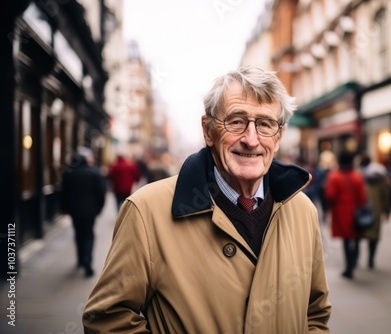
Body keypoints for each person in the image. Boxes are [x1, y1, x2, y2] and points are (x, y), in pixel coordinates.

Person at [83, 66, 331, 333]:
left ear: (279, 136)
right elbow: (107, 319)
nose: (251, 139)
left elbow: (315, 313)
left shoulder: (302, 210)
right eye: (236, 121)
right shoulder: (147, 212)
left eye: (265, 124)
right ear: (208, 130)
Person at [61, 148, 106, 277]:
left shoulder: (69, 174)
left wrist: (65, 208)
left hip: (74, 211)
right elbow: (101, 193)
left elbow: (64, 194)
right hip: (90, 211)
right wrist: (99, 208)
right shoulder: (94, 173)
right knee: (89, 234)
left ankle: (81, 259)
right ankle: (87, 259)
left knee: (78, 233)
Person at [324, 151, 367, 279]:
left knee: (347, 240)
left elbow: (330, 195)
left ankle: (349, 267)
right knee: (356, 236)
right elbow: (363, 197)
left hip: (341, 212)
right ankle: (354, 260)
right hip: (356, 211)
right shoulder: (357, 176)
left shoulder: (335, 177)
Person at [358, 154, 391, 270]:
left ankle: (355, 260)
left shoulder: (359, 176)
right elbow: (386, 195)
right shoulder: (381, 178)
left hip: (361, 209)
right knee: (374, 236)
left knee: (357, 235)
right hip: (375, 210)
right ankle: (371, 259)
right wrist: (387, 210)